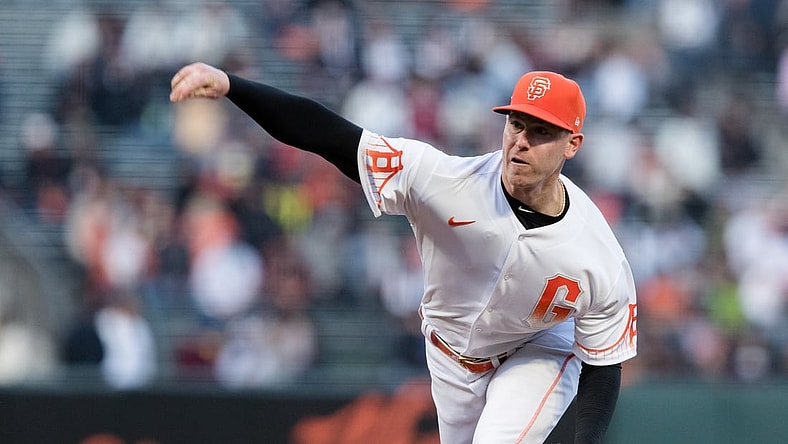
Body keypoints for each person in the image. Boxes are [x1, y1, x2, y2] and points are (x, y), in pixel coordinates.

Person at [170, 62, 638, 444]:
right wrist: (235, 86)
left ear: (572, 144)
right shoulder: (443, 181)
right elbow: (327, 134)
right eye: (516, 124)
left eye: (541, 131)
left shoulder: (597, 253)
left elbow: (602, 362)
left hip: (536, 350)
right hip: (449, 352)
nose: (521, 141)